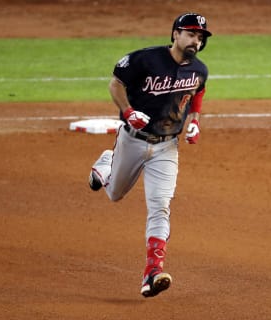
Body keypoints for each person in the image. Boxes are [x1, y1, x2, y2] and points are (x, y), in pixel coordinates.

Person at [88, 12, 212, 298]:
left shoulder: (199, 70)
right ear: (175, 34)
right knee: (115, 194)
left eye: (200, 36)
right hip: (132, 141)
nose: (196, 40)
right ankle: (107, 163)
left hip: (167, 147)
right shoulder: (145, 59)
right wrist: (128, 112)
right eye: (191, 33)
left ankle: (152, 272)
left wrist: (194, 121)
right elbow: (116, 84)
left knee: (160, 206)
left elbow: (198, 93)